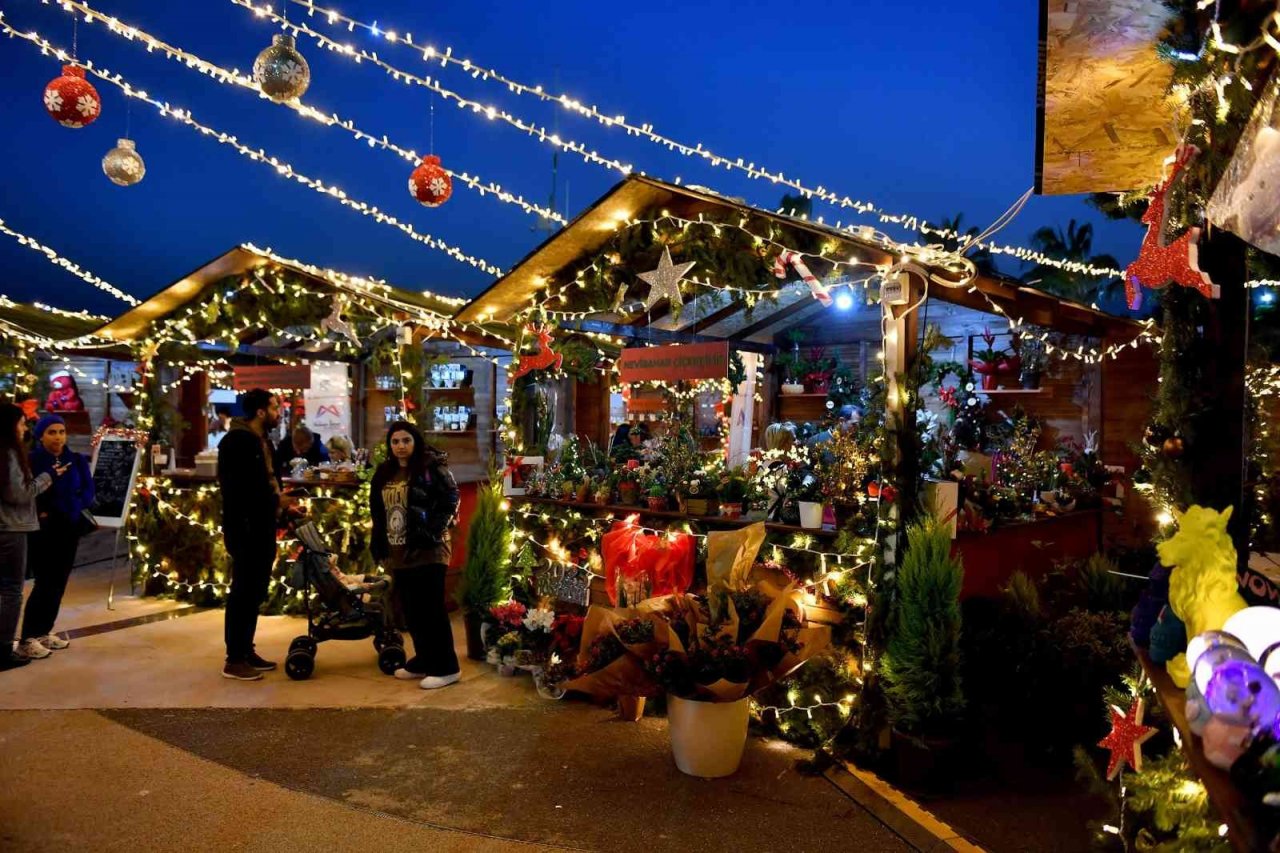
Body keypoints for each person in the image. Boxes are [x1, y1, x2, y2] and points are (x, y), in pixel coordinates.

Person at [370, 421, 461, 690]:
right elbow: (378, 513)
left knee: (431, 609)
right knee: (411, 610)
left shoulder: (431, 468)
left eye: (406, 441)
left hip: (429, 549)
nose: (400, 446)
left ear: (415, 442)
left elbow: (451, 498)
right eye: (395, 441)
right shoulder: (384, 472)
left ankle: (447, 667)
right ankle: (424, 659)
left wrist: (432, 530)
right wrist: (379, 544)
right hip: (399, 550)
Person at [218, 389, 284, 681]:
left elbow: (267, 482)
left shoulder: (261, 440)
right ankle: (234, 659)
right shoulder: (237, 442)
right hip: (246, 528)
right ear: (260, 412)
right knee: (243, 591)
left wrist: (279, 506)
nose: (278, 412)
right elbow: (243, 490)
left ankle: (246, 649)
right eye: (274, 407)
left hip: (262, 524)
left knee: (255, 590)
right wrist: (275, 503)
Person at [17, 415, 94, 660]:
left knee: (59, 582)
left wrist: (74, 504)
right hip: (44, 527)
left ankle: (44, 631)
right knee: (45, 581)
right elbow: (29, 492)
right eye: (52, 432)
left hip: (69, 526)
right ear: (41, 436)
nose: (58, 437)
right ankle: (28, 636)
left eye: (61, 431)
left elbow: (88, 489)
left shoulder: (76, 459)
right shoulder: (32, 460)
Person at [0, 404, 62, 670]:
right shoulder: (8, 454)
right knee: (11, 590)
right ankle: (3, 649)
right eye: (23, 424)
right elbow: (18, 494)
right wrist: (47, 477)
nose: (24, 429)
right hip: (10, 527)